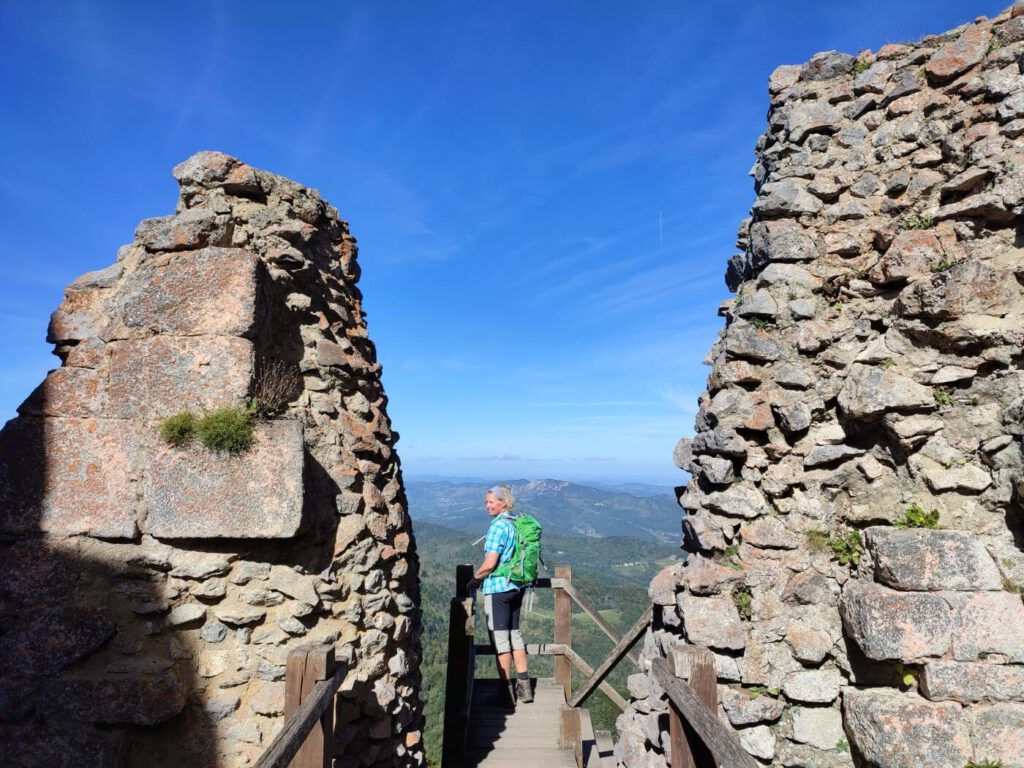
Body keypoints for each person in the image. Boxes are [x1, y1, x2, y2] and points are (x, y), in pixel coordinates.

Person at [469, 485, 533, 704]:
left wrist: (474, 579)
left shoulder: (497, 528)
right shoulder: (516, 524)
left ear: (503, 502)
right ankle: (525, 688)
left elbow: (490, 563)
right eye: (486, 502)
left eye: (491, 502)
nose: (487, 506)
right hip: (517, 586)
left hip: (498, 589)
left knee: (500, 640)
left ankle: (506, 692)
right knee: (514, 634)